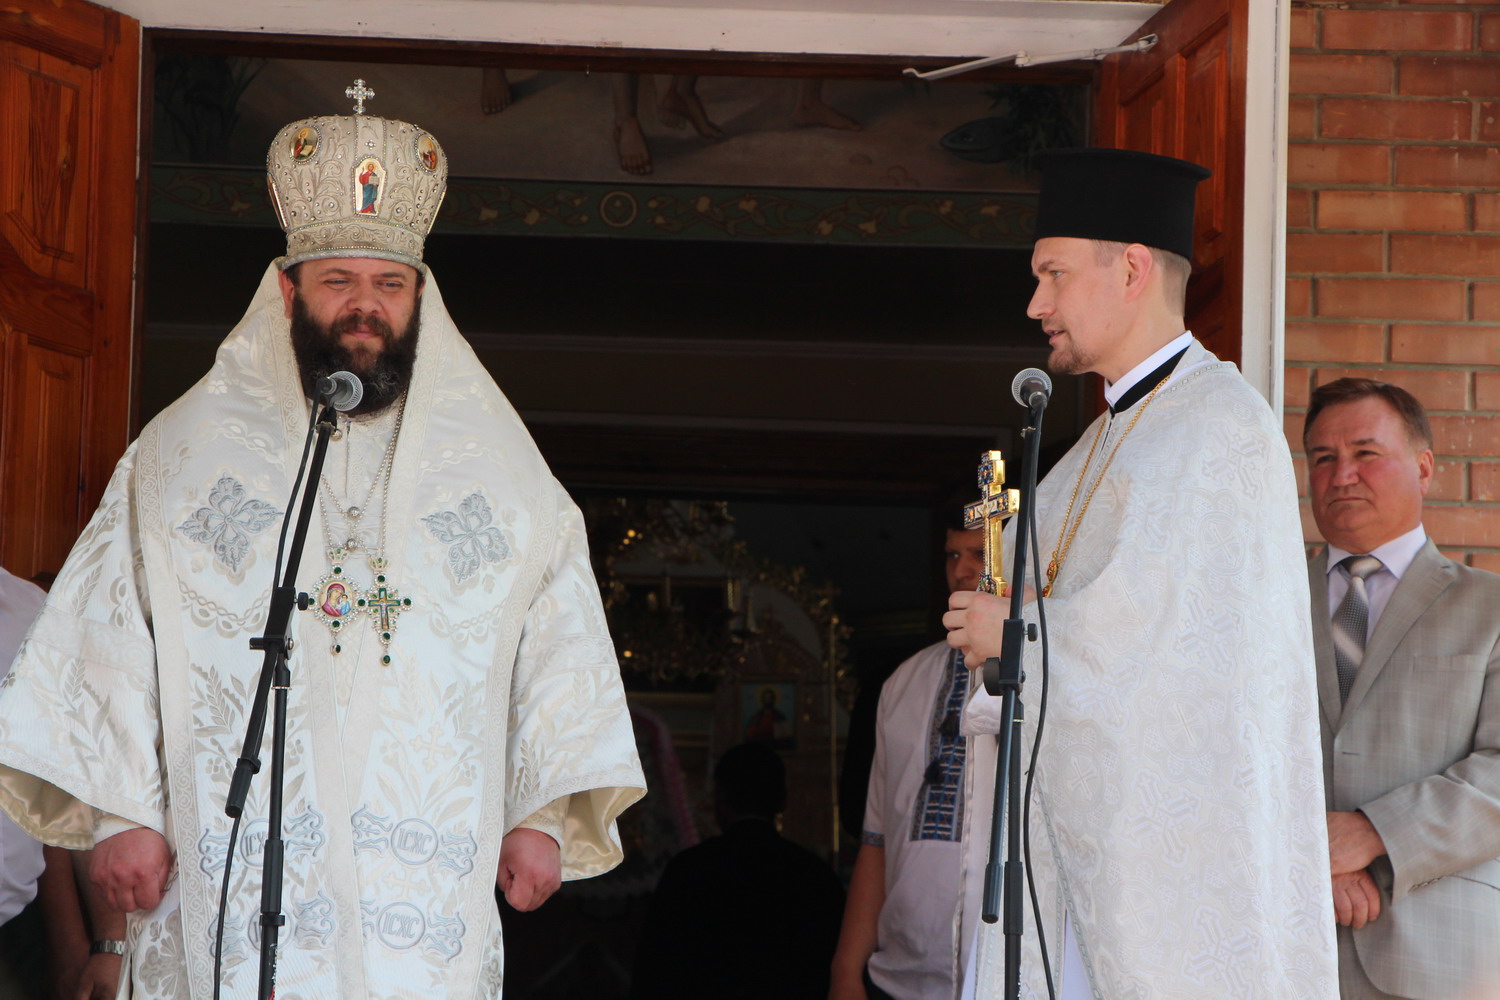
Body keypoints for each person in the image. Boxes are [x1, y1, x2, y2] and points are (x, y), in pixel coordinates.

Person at [0, 94, 644, 998]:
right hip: (224, 886)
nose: (365, 307)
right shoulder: (182, 459)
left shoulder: (502, 476)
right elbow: (109, 636)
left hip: (419, 905)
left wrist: (539, 815)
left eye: (390, 284)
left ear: (421, 298)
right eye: (338, 279)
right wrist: (121, 814)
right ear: (287, 290)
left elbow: (557, 643)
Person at [943, 147, 1336, 999]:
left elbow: (1183, 678)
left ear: (1130, 270)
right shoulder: (1093, 446)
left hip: (1170, 900)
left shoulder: (1220, 430)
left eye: (1052, 274)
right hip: (1063, 872)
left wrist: (1018, 639)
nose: (1035, 304)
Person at [1302, 378, 1500, 999]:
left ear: (1424, 468)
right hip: (1280, 947)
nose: (1342, 476)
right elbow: (1215, 753)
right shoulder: (1260, 603)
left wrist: (1370, 833)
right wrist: (1306, 851)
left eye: (1366, 453)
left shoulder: (1491, 607)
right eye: (1323, 458)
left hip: (1442, 958)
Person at [830, 510, 984, 1000]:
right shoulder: (903, 683)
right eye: (952, 555)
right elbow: (876, 841)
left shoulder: (1047, 679)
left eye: (979, 554)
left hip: (1011, 978)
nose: (961, 570)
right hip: (899, 978)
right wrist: (845, 971)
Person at [630, 742, 845, 1000]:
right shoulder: (814, 875)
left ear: (720, 800)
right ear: (783, 800)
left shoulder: (689, 870)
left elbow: (655, 968)